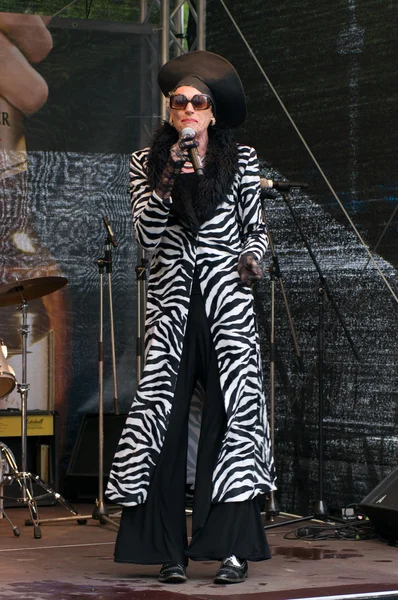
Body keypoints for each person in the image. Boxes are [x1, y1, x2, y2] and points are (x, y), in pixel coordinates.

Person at [106, 50, 276, 585]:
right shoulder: (144, 163)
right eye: (178, 102)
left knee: (235, 421)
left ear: (212, 114)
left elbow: (257, 230)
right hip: (173, 305)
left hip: (226, 305)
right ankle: (168, 552)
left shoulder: (241, 160)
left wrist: (253, 260)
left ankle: (231, 550)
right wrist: (166, 181)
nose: (186, 110)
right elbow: (147, 239)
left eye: (196, 102)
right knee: (162, 421)